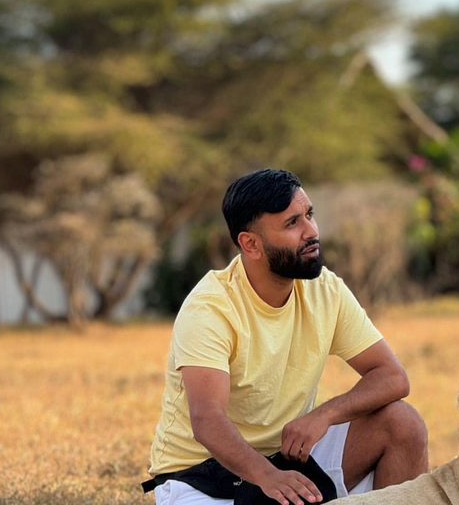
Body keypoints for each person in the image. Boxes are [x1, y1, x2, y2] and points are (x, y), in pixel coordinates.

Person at [147, 169, 428, 505]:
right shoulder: (210, 307)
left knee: (403, 424)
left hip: (287, 458)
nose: (311, 232)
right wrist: (268, 476)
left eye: (309, 215)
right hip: (201, 477)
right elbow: (208, 420)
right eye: (292, 223)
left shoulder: (326, 290)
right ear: (250, 244)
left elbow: (392, 377)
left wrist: (322, 416)